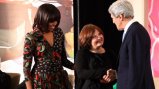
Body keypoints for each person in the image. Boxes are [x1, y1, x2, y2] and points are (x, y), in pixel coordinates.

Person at [23, 3, 74, 89]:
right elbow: (26, 69)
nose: (55, 23)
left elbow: (63, 60)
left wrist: (78, 67)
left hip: (59, 80)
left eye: (56, 20)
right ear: (42, 19)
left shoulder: (58, 33)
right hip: (41, 82)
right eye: (51, 21)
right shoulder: (32, 37)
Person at [108, 0, 155, 89]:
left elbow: (136, 69)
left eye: (113, 18)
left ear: (121, 16)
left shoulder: (135, 32)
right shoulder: (132, 31)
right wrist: (117, 74)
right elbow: (130, 66)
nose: (113, 21)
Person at [75, 24, 117, 89]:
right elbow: (81, 73)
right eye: (94, 36)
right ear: (88, 40)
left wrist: (110, 78)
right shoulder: (82, 53)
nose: (99, 37)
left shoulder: (110, 53)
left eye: (100, 34)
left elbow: (117, 71)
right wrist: (104, 72)